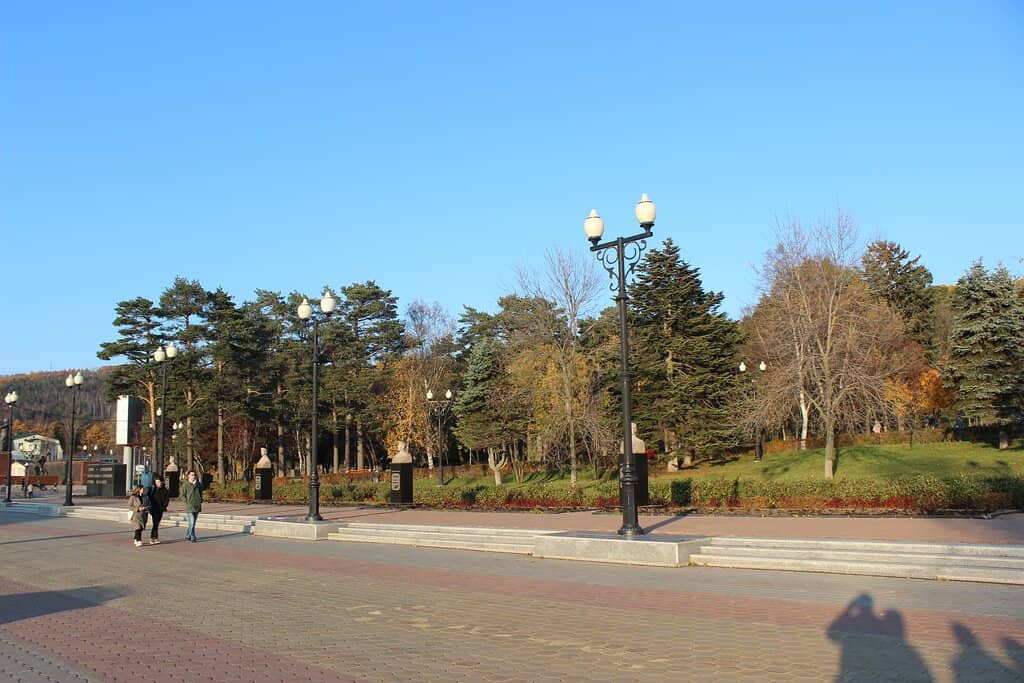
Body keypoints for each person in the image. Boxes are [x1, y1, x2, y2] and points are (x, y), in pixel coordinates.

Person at [179, 470, 203, 542]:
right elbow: (181, 495)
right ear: (188, 476)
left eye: (194, 475)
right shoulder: (185, 485)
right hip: (190, 506)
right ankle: (193, 536)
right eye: (192, 475)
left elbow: (200, 493)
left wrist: (200, 500)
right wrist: (186, 501)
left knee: (193, 523)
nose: (193, 476)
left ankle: (188, 535)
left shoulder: (198, 484)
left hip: (197, 505)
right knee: (191, 522)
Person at [148, 476, 170, 544]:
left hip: (160, 509)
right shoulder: (153, 489)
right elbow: (148, 497)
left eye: (158, 482)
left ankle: (154, 537)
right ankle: (153, 538)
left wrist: (164, 506)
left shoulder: (165, 490)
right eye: (156, 482)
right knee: (155, 523)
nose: (157, 483)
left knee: (156, 524)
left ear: (162, 482)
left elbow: (167, 499)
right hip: (153, 508)